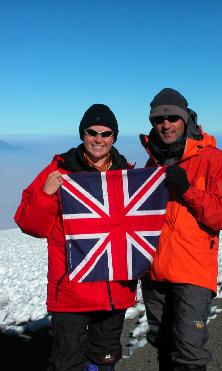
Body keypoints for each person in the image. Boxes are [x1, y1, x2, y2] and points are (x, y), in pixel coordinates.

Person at [14, 104, 138, 371]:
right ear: (82, 134)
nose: (98, 139)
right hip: (71, 291)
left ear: (114, 137)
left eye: (106, 134)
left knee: (104, 361)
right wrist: (46, 194)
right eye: (92, 132)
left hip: (113, 288)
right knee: (67, 363)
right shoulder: (59, 171)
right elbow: (30, 224)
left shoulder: (126, 175)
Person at [139, 88, 222, 370]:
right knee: (162, 343)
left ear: (187, 119)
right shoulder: (153, 162)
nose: (166, 124)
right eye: (159, 119)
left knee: (188, 351)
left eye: (173, 117)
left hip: (192, 272)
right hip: (154, 271)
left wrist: (187, 190)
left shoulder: (215, 160)